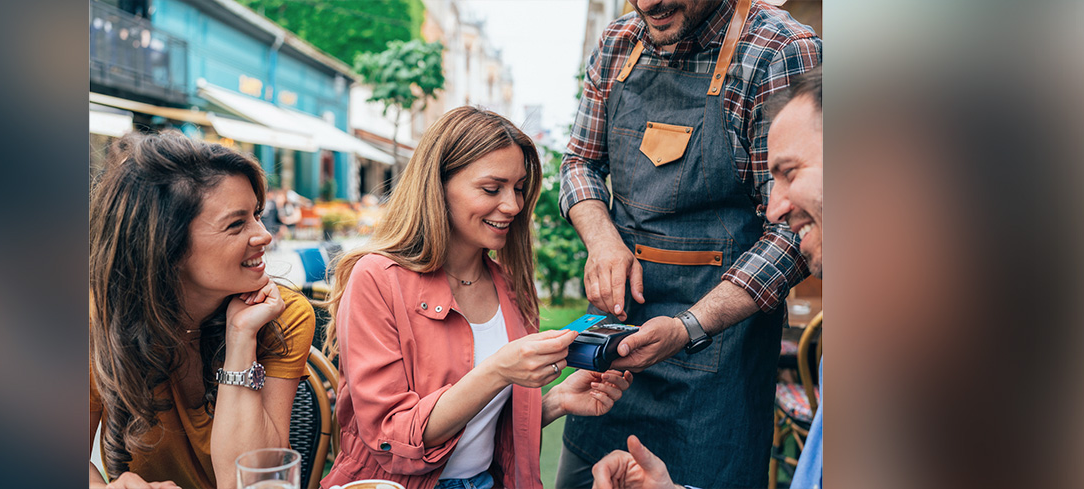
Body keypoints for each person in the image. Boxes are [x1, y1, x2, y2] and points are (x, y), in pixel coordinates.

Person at [556, 0, 822, 487]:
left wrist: (687, 327)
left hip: (714, 377)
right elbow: (579, 162)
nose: (648, 3)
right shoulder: (618, 42)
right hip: (610, 361)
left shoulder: (779, 51)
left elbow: (795, 225)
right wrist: (601, 238)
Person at [319, 106, 634, 489]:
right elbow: (391, 435)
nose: (514, 205)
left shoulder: (510, 285)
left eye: (519, 188)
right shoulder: (378, 278)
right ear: (438, 185)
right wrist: (498, 370)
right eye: (491, 188)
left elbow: (481, 432)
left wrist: (555, 401)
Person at [89, 131, 316, 489]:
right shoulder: (96, 321)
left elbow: (249, 482)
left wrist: (241, 338)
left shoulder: (283, 315)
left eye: (257, 214)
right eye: (237, 224)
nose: (264, 235)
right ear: (167, 244)